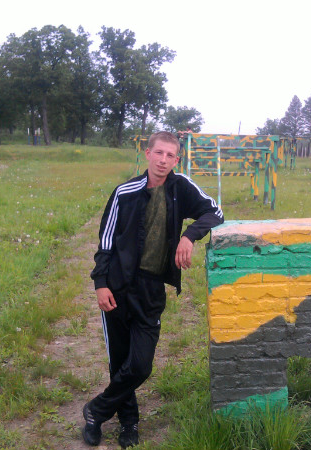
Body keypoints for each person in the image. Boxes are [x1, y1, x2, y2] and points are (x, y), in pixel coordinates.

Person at [84, 131, 224, 448]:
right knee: (120, 361)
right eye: (158, 153)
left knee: (140, 365)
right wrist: (100, 284)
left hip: (150, 292)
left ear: (177, 160)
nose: (163, 160)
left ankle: (96, 410)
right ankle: (128, 423)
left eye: (169, 155)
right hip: (117, 289)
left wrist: (189, 235)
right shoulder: (124, 193)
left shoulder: (180, 188)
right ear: (147, 154)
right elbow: (105, 242)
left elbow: (215, 212)